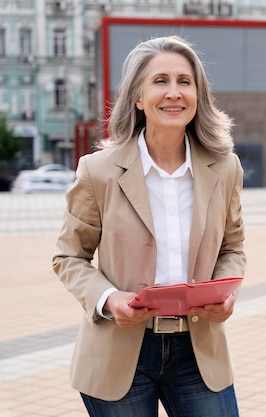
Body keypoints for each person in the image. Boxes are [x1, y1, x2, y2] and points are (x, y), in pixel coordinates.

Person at [52, 35, 246, 417]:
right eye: (160, 81)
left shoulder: (225, 168)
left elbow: (232, 248)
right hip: (118, 353)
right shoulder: (99, 171)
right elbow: (69, 256)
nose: (173, 92)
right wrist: (110, 300)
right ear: (138, 97)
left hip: (199, 352)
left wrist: (224, 293)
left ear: (198, 95)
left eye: (184, 82)